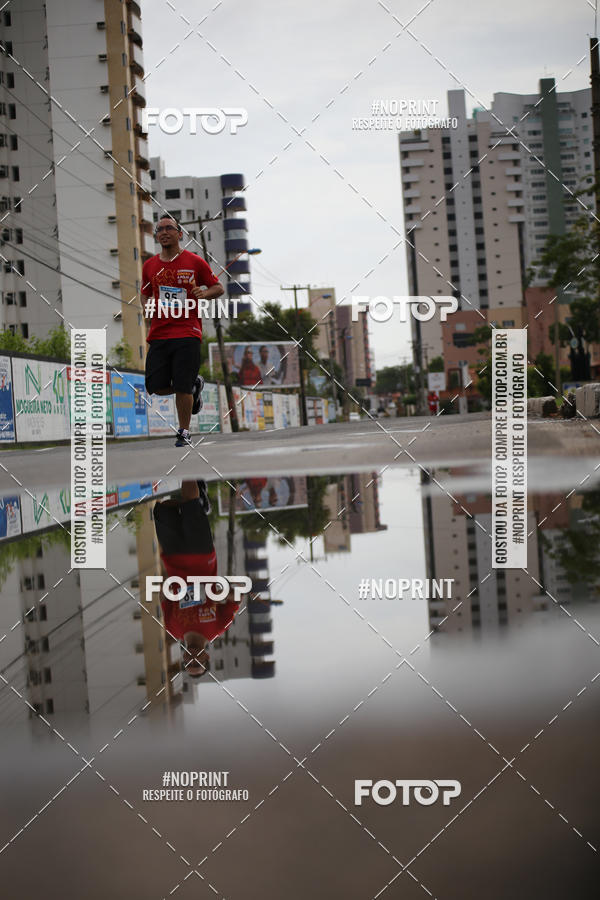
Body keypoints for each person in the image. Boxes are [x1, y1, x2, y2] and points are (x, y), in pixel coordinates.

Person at [142, 214, 224, 447]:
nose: (164, 232)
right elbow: (145, 293)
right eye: (159, 229)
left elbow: (218, 287)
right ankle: (195, 384)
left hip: (187, 332)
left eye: (169, 228)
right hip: (159, 333)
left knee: (181, 385)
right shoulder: (149, 266)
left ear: (180, 234)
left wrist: (203, 293)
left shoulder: (194, 261)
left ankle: (184, 431)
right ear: (157, 236)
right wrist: (147, 308)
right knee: (155, 386)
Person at [154, 480, 241, 679]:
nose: (191, 659)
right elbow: (236, 598)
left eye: (188, 663)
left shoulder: (173, 628)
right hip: (202, 557)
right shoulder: (217, 627)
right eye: (197, 662)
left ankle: (201, 503)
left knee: (164, 509)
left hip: (173, 559)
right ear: (206, 656)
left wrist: (166, 588)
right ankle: (188, 466)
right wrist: (218, 592)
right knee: (188, 502)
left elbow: (163, 598)